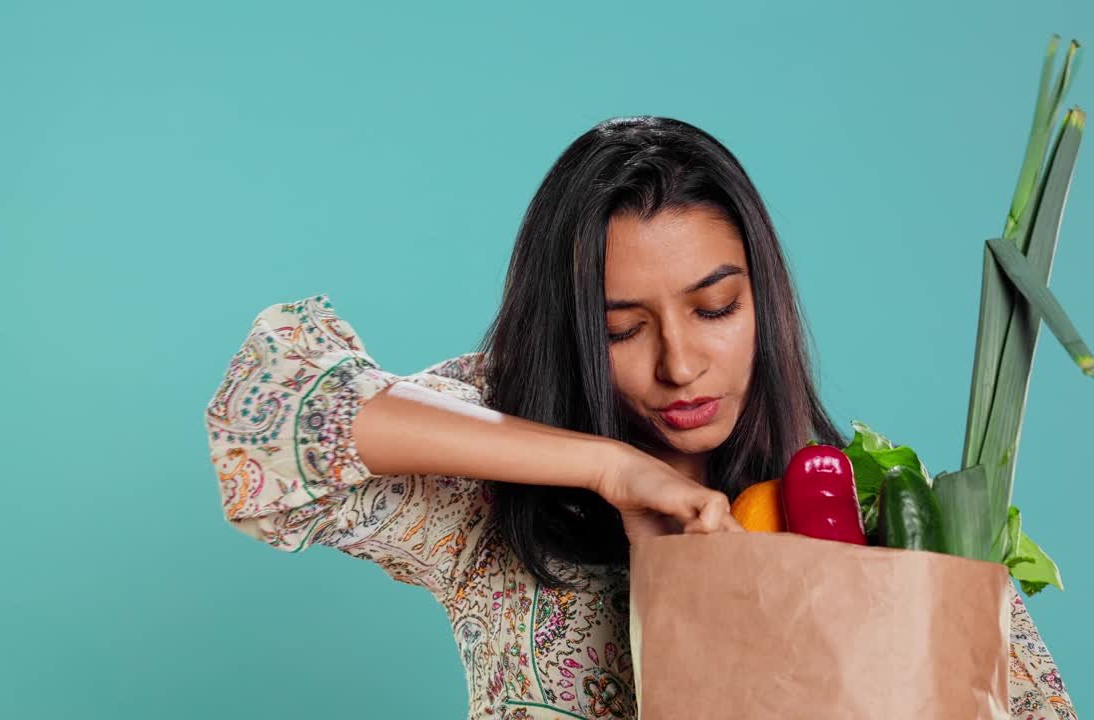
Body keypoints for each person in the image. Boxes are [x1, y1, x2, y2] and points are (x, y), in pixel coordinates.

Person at [203, 116, 1076, 719]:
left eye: (716, 309)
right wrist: (605, 467)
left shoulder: (887, 518)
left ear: (763, 301)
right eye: (622, 328)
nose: (680, 364)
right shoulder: (497, 497)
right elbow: (272, 417)